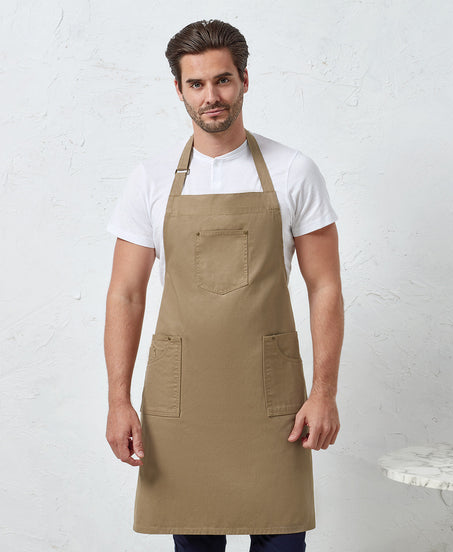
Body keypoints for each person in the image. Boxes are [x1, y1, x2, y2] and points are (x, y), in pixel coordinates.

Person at [104, 19, 344, 552]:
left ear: (244, 81)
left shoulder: (294, 171)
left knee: (283, 542)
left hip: (271, 399)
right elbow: (126, 294)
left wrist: (324, 392)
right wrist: (118, 400)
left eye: (223, 80)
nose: (210, 96)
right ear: (179, 89)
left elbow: (325, 286)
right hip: (182, 400)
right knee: (194, 544)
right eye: (196, 83)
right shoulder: (150, 179)